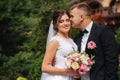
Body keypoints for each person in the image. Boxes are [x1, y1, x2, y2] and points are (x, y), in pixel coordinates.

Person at [70, 3, 119, 80]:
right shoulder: (77, 38)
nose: (70, 19)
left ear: (81, 17)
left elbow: (112, 61)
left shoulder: (103, 31)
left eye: (72, 16)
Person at [41, 9, 80, 80]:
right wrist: (67, 72)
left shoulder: (71, 41)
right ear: (56, 24)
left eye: (67, 20)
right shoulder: (55, 41)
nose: (66, 23)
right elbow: (44, 67)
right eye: (61, 21)